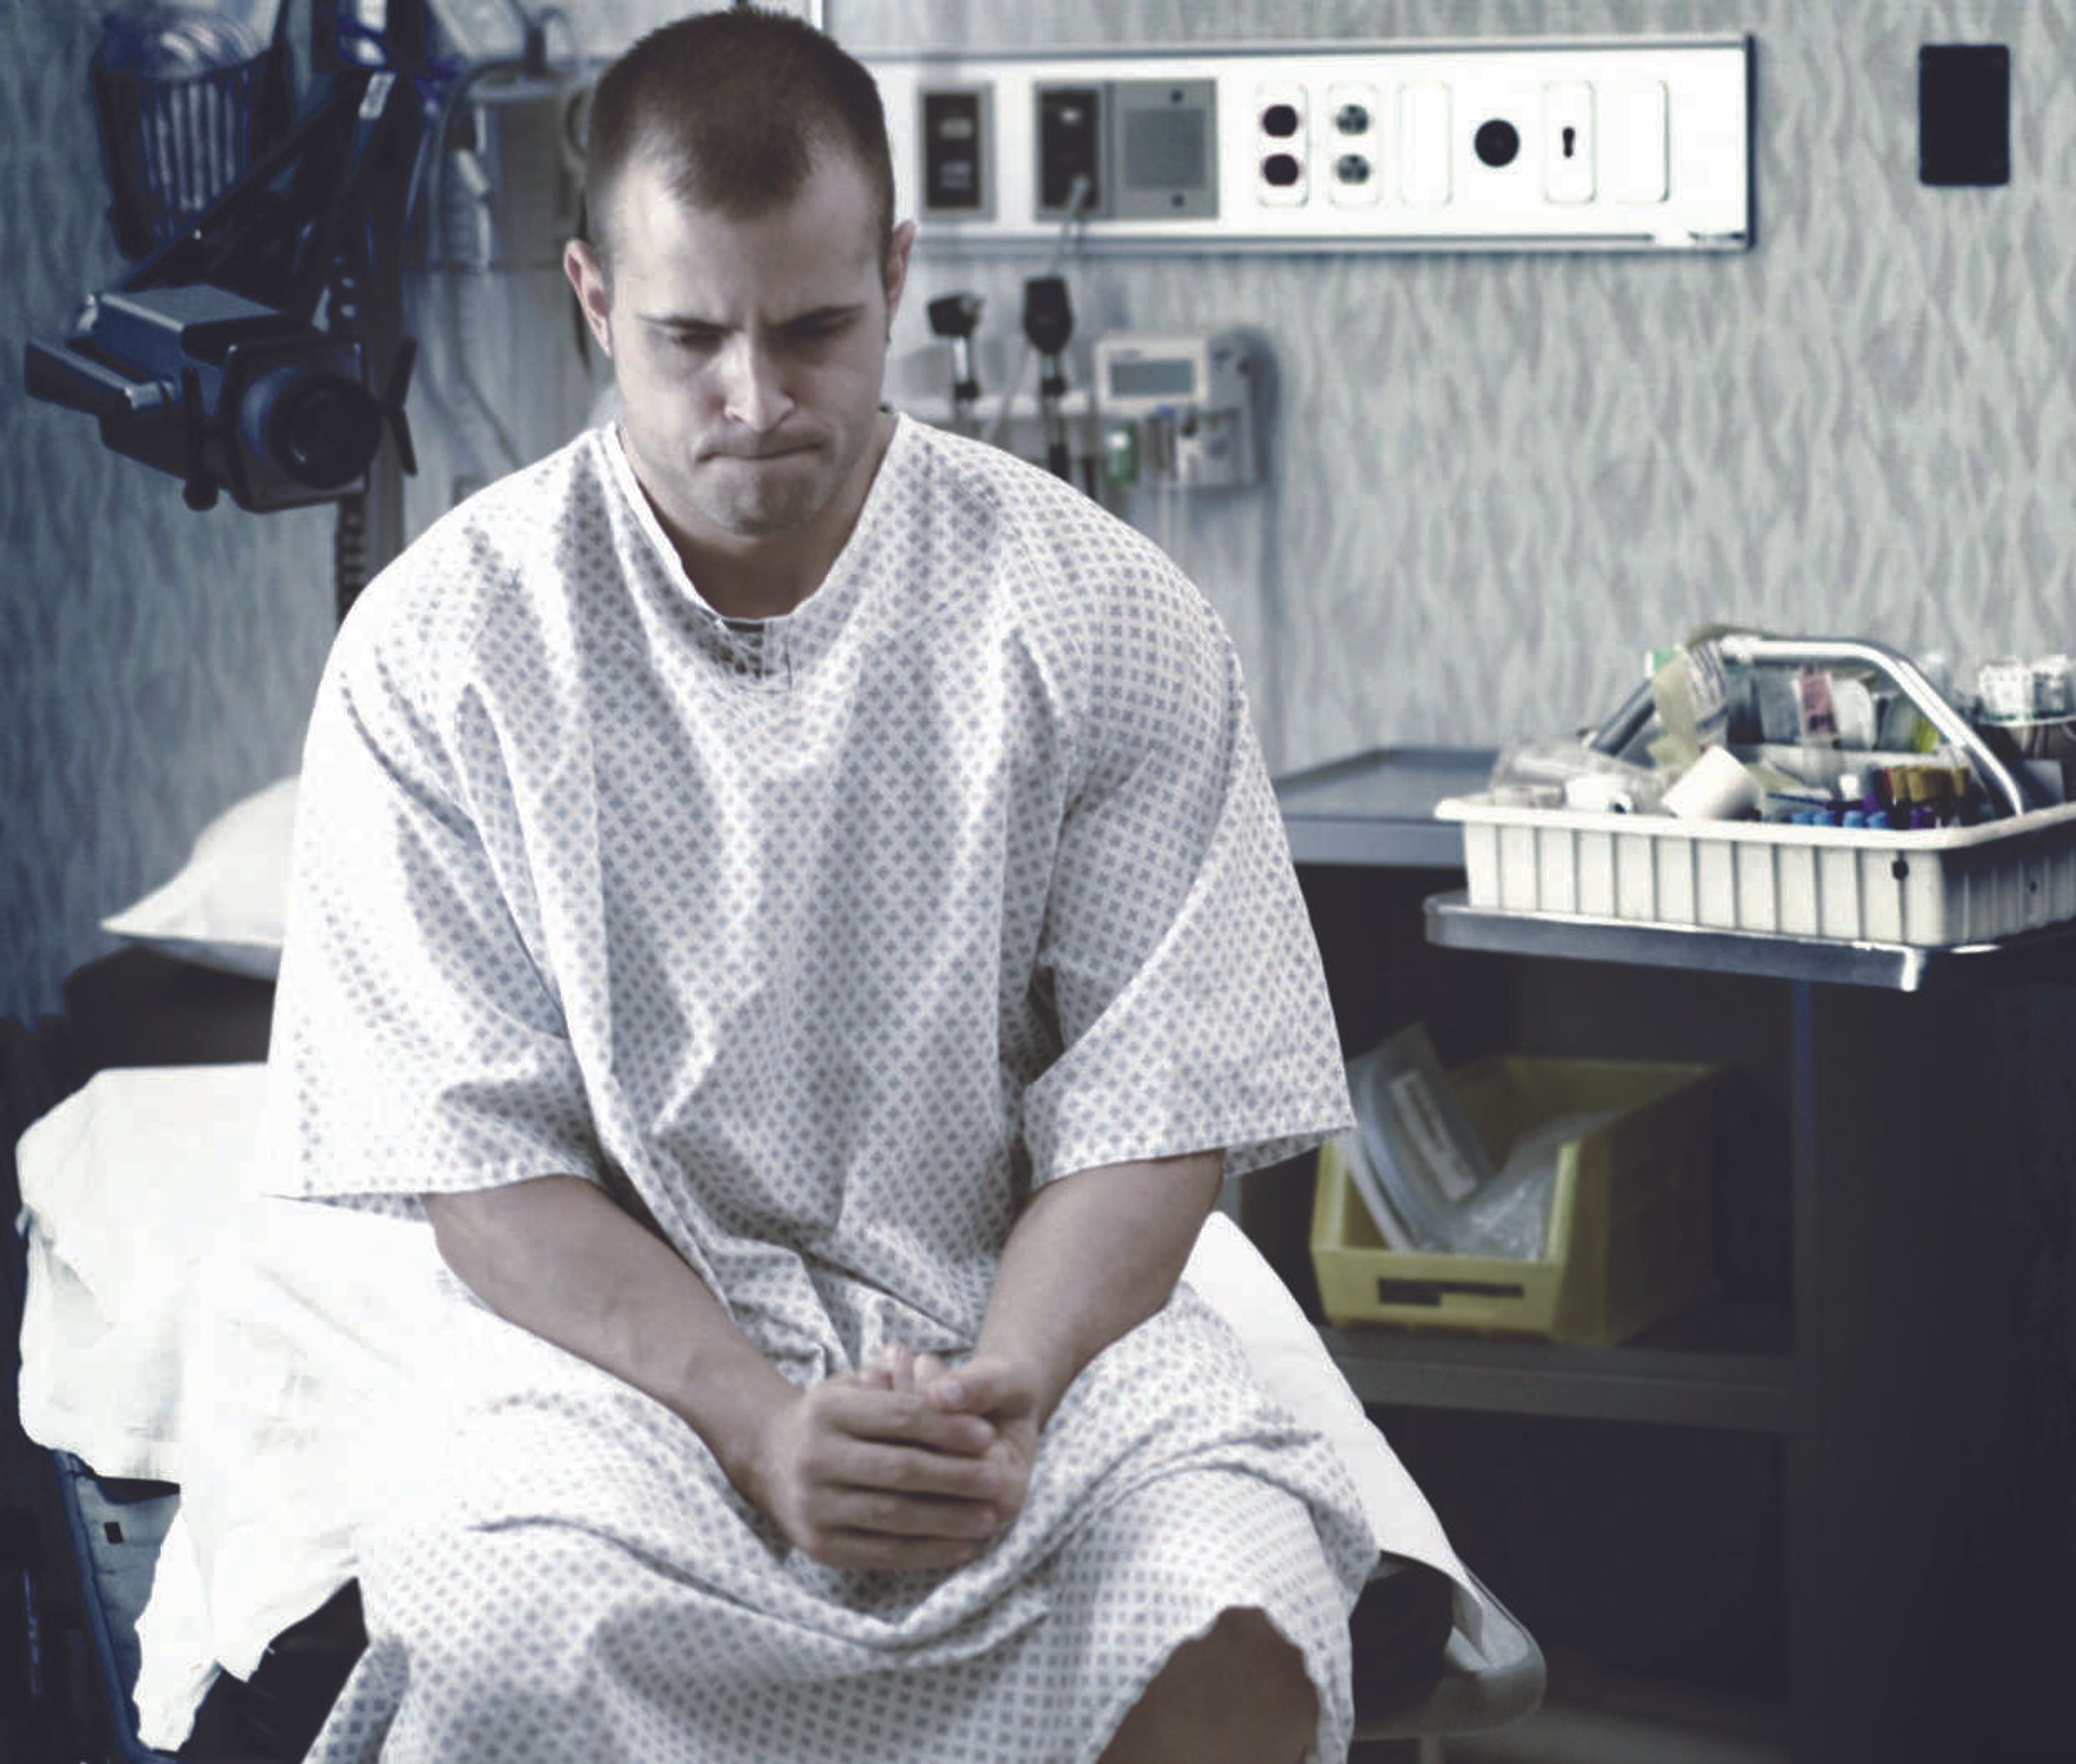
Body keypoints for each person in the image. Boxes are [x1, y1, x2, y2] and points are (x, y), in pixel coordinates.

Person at [259, 8, 1374, 1761]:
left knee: (1231, 1601)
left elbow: (1158, 1102)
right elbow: (481, 1169)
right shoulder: (442, 651)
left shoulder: (1098, 612)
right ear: (592, 298)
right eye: (692, 334)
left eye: (817, 330)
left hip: (1018, 1313)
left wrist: (1000, 1396)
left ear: (900, 275)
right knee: (511, 1632)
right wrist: (757, 1422)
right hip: (622, 1361)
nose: (758, 400)